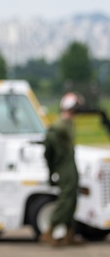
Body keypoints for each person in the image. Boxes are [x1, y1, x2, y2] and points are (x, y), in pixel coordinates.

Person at [42, 91, 85, 247]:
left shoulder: (68, 124)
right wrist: (51, 171)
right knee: (66, 200)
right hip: (64, 167)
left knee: (72, 200)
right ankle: (50, 231)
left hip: (70, 165)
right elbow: (49, 153)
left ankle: (69, 234)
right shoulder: (58, 127)